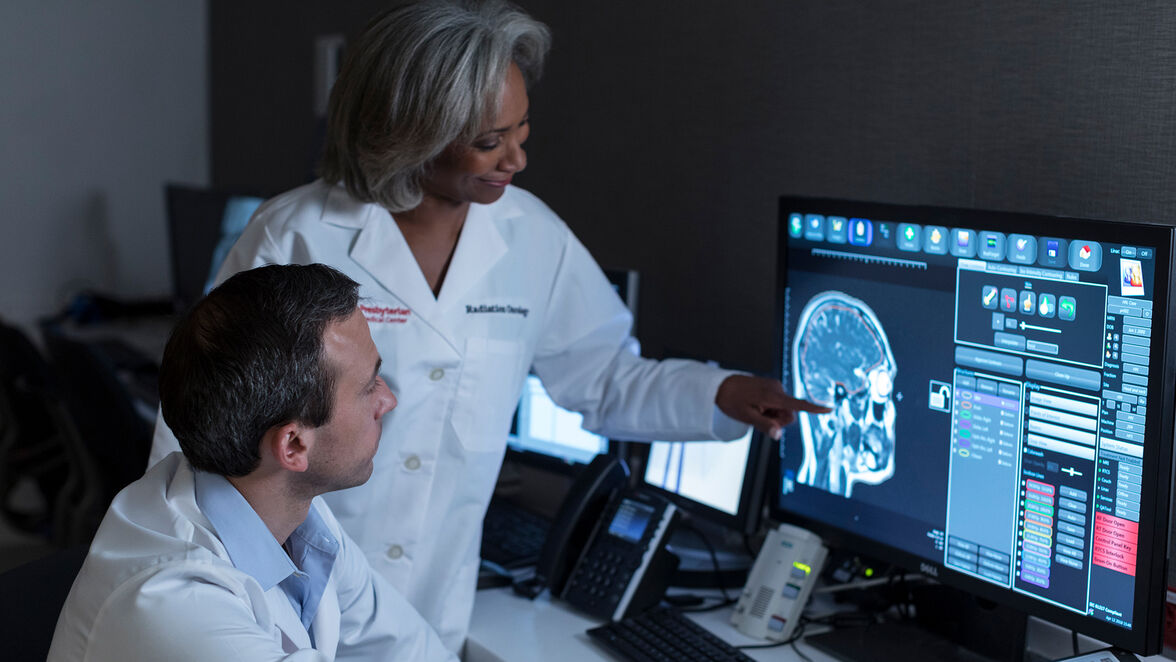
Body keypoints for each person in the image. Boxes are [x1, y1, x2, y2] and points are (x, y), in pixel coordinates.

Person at [149, 0, 828, 651]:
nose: (516, 161)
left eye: (521, 133)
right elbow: (202, 422)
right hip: (276, 599)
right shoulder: (295, 234)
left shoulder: (532, 238)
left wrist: (719, 394)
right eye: (488, 142)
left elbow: (603, 377)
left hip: (426, 605)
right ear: (407, 132)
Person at [50, 264, 454, 661]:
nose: (388, 401)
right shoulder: (175, 606)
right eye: (369, 387)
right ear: (293, 445)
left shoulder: (301, 523)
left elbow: (408, 649)